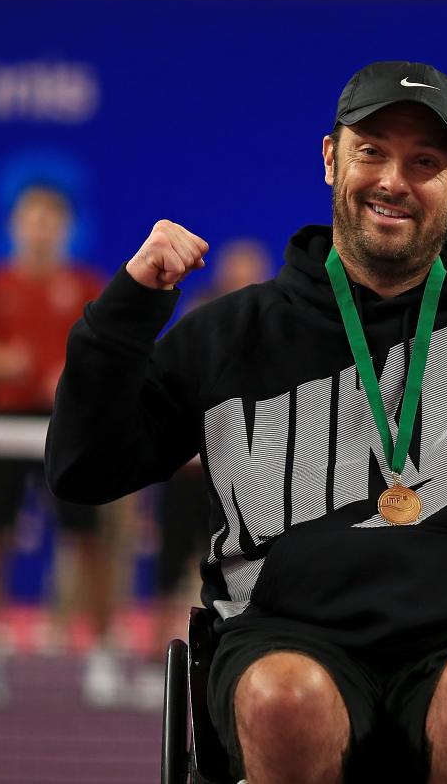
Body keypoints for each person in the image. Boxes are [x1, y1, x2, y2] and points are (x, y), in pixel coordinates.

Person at [46, 61, 447, 783]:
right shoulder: (231, 335)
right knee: (283, 697)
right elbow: (85, 469)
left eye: (425, 162)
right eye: (372, 152)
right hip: (281, 636)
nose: (394, 179)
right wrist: (123, 315)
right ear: (331, 158)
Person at [0, 185, 115, 708]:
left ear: (64, 227)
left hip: (65, 426)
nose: (40, 228)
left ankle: (103, 659)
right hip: (3, 427)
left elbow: (109, 351)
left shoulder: (86, 284)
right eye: (31, 218)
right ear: (17, 226)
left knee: (88, 543)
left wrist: (74, 375)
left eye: (50, 219)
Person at [130, 237, 273, 712]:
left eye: (253, 270)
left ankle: (244, 659)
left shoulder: (279, 332)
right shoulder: (202, 319)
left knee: (243, 572)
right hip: (190, 476)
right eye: (237, 270)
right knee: (169, 566)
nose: (243, 280)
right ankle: (156, 661)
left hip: (249, 479)